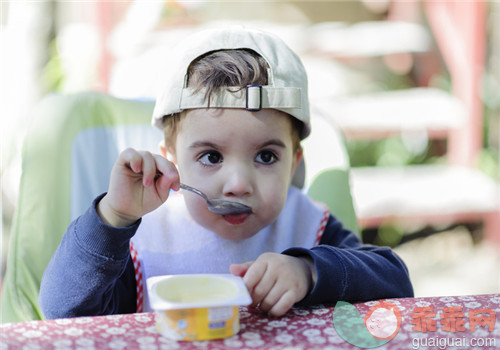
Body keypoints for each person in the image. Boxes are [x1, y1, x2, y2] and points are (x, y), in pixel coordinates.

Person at [39, 27, 413, 319]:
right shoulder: (143, 240)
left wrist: (310, 271)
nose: (237, 184)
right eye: (211, 157)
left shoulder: (308, 226)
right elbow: (62, 311)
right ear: (171, 160)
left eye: (266, 156)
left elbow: (396, 282)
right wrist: (114, 217)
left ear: (294, 163)